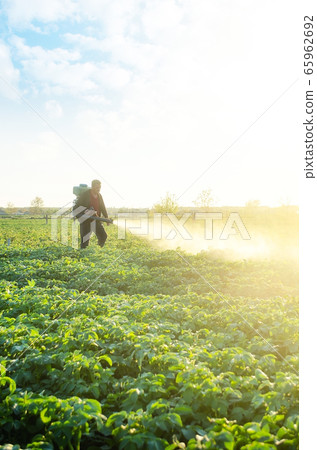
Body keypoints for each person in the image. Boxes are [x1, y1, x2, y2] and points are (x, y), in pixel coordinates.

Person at [74, 179, 109, 249]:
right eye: (97, 187)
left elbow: (102, 207)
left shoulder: (99, 196)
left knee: (103, 236)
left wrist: (106, 218)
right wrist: (86, 211)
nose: (98, 189)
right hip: (86, 221)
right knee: (85, 241)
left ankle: (98, 250)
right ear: (92, 187)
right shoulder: (85, 195)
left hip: (96, 220)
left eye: (99, 188)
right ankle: (83, 256)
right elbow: (76, 208)